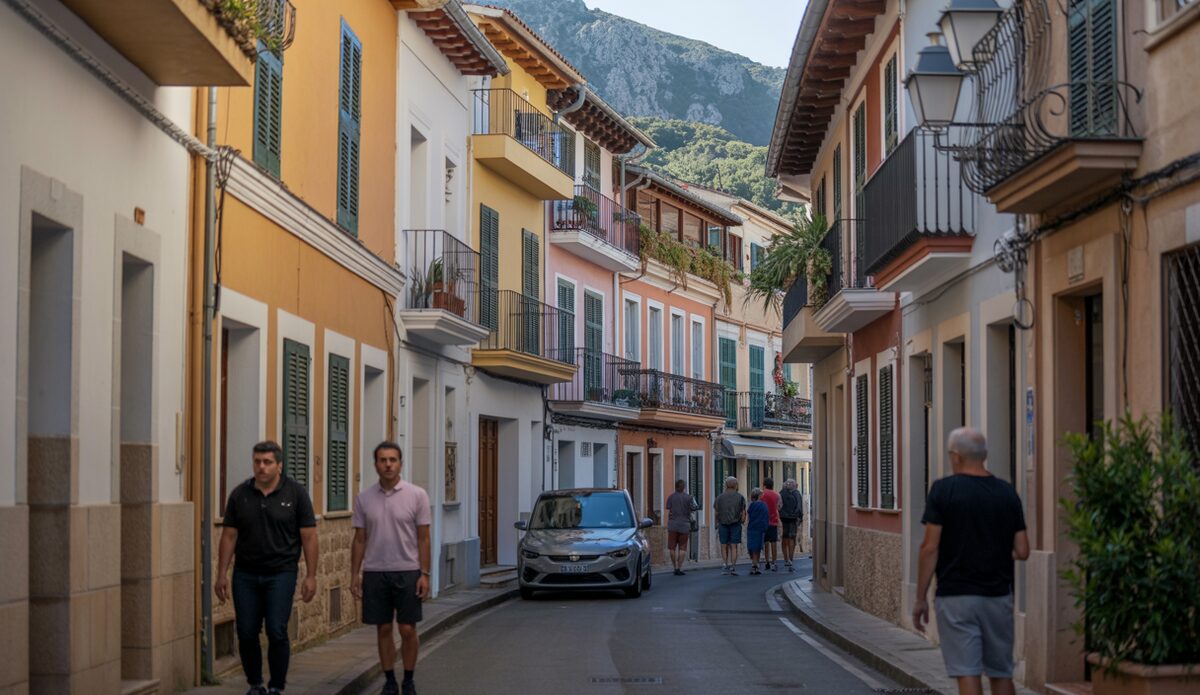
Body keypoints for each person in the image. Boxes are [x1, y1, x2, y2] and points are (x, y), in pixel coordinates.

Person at [914, 428, 1029, 695]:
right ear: (984, 455)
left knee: (968, 673)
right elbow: (1022, 550)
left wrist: (920, 598)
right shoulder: (1006, 492)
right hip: (998, 596)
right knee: (1001, 673)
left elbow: (930, 547)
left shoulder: (943, 490)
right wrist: (994, 550)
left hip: (956, 597)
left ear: (955, 456)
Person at [215, 441, 319, 695]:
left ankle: (275, 686)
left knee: (276, 629)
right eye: (257, 462)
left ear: (279, 465)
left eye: (267, 462)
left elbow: (309, 537)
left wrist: (311, 576)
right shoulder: (240, 495)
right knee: (247, 631)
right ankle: (255, 683)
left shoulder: (296, 494)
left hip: (281, 573)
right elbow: (229, 536)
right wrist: (221, 574)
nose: (261, 467)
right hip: (246, 574)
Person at [351, 442, 432, 695]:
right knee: (383, 628)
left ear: (400, 463)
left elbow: (423, 537)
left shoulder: (417, 495)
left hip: (407, 570)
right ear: (375, 464)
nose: (388, 464)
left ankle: (408, 679)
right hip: (375, 572)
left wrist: (425, 574)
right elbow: (360, 539)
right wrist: (355, 573)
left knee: (407, 629)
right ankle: (389, 680)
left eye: (393, 460)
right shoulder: (364, 499)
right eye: (383, 460)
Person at [713, 476, 746, 575]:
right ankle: (733, 566)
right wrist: (743, 521)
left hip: (723, 523)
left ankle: (725, 563)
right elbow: (743, 512)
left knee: (723, 545)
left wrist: (716, 523)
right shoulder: (740, 497)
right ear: (736, 485)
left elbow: (716, 512)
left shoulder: (719, 497)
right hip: (736, 524)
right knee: (734, 546)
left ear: (726, 485)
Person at [665, 479, 699, 575]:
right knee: (682, 548)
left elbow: (668, 507)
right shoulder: (688, 498)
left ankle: (674, 566)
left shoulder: (671, 497)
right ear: (684, 487)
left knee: (672, 547)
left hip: (673, 525)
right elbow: (695, 508)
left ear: (675, 487)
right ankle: (679, 568)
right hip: (684, 525)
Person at [779, 478, 803, 572]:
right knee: (791, 538)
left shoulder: (781, 494)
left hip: (784, 518)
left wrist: (783, 515)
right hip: (793, 519)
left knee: (784, 538)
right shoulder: (796, 494)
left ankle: (785, 559)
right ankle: (791, 558)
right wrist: (798, 517)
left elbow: (779, 507)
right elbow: (799, 507)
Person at [759, 478, 782, 571]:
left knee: (766, 542)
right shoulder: (776, 495)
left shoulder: (762, 494)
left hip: (764, 520)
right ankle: (774, 561)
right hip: (773, 520)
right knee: (773, 542)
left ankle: (767, 561)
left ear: (764, 485)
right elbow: (779, 507)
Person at [745, 488, 769, 575]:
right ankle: (756, 564)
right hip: (760, 528)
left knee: (752, 547)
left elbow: (749, 515)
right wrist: (765, 527)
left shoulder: (751, 505)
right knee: (758, 547)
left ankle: (754, 563)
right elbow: (766, 517)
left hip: (752, 527)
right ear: (759, 495)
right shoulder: (763, 505)